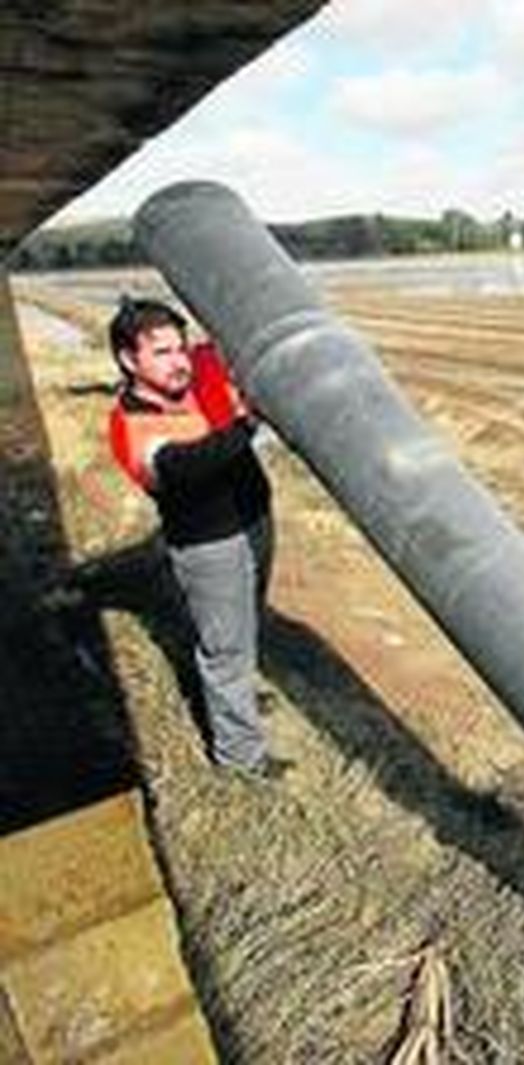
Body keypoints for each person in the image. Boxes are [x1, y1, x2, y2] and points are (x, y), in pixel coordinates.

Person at [105, 296, 285, 778]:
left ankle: (239, 698)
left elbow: (235, 327)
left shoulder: (196, 372)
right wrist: (248, 423)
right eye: (161, 352)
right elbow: (184, 467)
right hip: (210, 546)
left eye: (180, 348)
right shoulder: (131, 424)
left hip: (254, 520)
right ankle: (240, 760)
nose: (179, 361)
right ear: (129, 360)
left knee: (247, 618)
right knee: (224, 648)